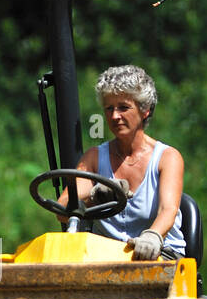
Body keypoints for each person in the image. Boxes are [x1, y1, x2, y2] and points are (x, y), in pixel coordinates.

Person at [57, 65, 186, 260]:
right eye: (109, 109)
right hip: (107, 259)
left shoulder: (167, 158)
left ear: (145, 111)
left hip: (160, 256)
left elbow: (167, 210)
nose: (115, 116)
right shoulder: (94, 157)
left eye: (124, 108)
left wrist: (152, 237)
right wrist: (95, 196)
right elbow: (63, 209)